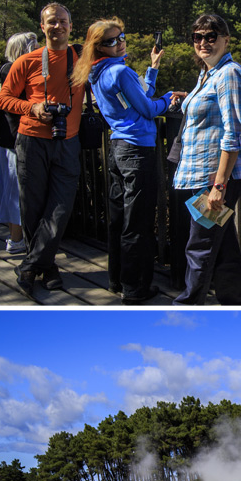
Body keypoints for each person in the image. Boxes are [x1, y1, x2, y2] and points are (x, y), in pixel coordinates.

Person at [73, 18, 178, 304]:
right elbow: (148, 108)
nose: (120, 43)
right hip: (137, 152)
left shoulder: (97, 71)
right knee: (138, 223)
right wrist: (169, 97)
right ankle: (135, 289)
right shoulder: (120, 71)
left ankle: (116, 280)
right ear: (98, 46)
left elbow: (135, 100)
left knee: (119, 219)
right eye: (111, 41)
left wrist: (153, 69)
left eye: (121, 37)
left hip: (118, 149)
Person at [0, 3, 85, 299]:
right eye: (51, 22)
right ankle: (47, 269)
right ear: (42, 26)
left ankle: (29, 266)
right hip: (31, 139)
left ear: (71, 26)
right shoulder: (27, 61)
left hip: (67, 141)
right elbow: (4, 99)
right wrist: (31, 107)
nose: (57, 26)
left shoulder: (82, 58)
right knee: (32, 207)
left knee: (60, 209)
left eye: (63, 21)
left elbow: (117, 66)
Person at [171, 13, 241, 305]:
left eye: (211, 36)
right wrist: (189, 98)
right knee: (223, 248)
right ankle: (236, 305)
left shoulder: (229, 73)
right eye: (198, 37)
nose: (204, 42)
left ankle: (187, 307)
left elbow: (235, 133)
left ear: (226, 39)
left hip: (213, 179)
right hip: (203, 176)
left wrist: (219, 185)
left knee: (200, 249)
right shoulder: (208, 74)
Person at [0, 31, 40, 255]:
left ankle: (17, 237)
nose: (38, 47)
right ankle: (16, 240)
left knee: (12, 187)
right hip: (16, 137)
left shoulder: (6, 68)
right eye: (34, 44)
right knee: (16, 190)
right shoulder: (15, 69)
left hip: (7, 136)